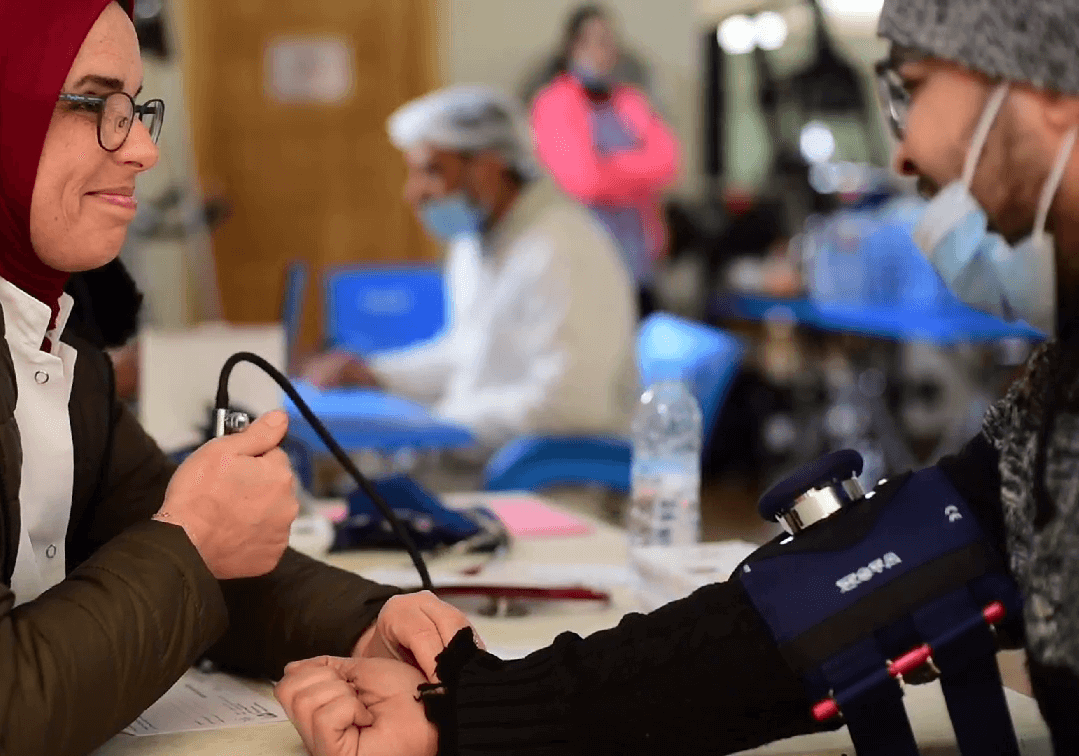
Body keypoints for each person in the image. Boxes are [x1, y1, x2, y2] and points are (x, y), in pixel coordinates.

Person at [275, 0, 1079, 753]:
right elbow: (826, 598)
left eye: (911, 90)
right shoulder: (1056, 403)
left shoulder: (559, 237)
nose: (899, 152)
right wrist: (473, 708)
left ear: (1051, 92)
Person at [0, 1, 473, 753]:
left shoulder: (39, 320)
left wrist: (368, 620)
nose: (144, 150)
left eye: (136, 107)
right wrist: (191, 536)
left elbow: (179, 552)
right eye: (96, 103)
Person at [303, 85, 638, 454]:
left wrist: (443, 421)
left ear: (487, 168)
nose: (412, 194)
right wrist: (376, 375)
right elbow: (469, 355)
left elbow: (574, 406)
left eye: (430, 171)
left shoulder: (563, 247)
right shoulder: (480, 240)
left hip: (549, 480)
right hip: (483, 456)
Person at [530, 4, 680, 316]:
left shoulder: (630, 101)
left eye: (608, 42)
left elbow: (668, 162)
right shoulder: (553, 103)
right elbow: (584, 181)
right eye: (592, 42)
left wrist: (609, 164)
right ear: (572, 47)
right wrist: (637, 171)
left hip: (637, 259)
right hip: (579, 259)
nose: (602, 51)